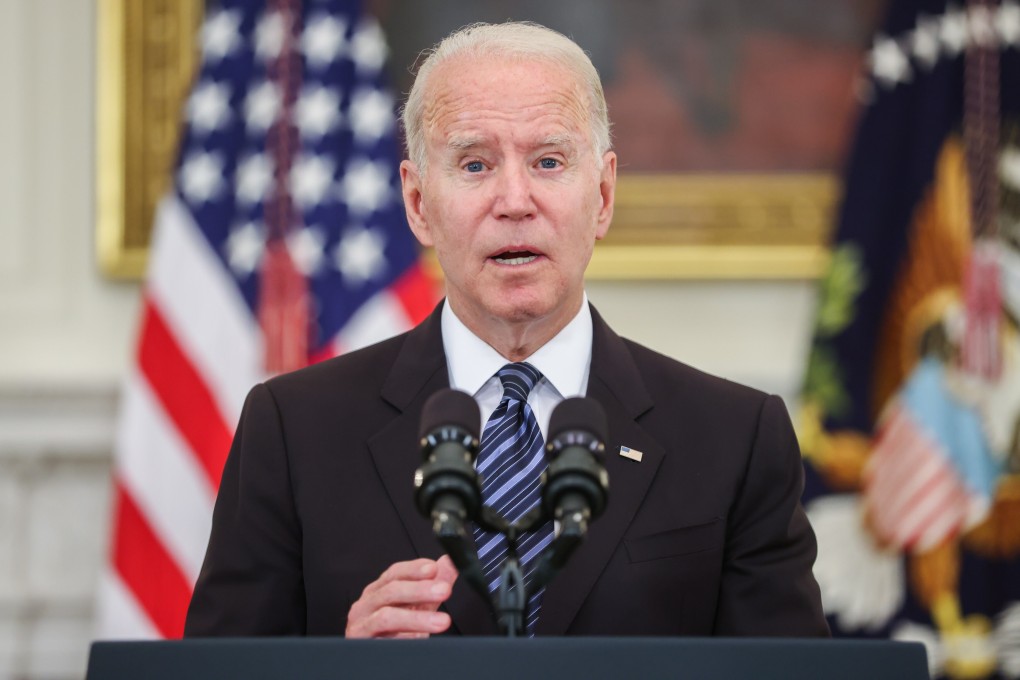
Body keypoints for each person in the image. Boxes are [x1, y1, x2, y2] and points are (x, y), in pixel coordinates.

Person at [184, 21, 828, 638]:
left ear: (603, 196)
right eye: (474, 165)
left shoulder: (735, 439)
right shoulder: (293, 431)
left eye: (548, 161)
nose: (515, 201)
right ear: (418, 204)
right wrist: (341, 668)